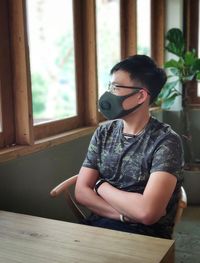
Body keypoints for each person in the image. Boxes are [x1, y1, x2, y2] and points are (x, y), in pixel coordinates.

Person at [75, 55, 184, 239]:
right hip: (97, 226)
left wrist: (100, 185)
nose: (109, 93)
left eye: (116, 87)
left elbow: (147, 213)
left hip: (144, 236)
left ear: (141, 95)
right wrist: (124, 215)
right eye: (110, 86)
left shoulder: (166, 142)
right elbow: (81, 192)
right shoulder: (104, 133)